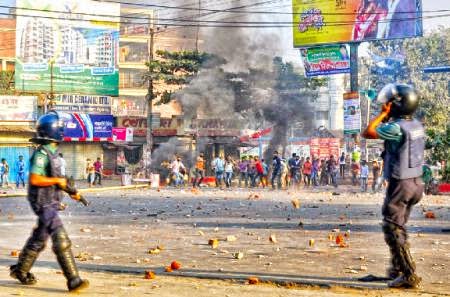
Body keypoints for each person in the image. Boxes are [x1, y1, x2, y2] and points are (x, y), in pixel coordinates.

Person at [10, 111, 89, 292]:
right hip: (42, 202)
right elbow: (36, 179)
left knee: (39, 238)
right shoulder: (41, 154)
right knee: (60, 238)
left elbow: (57, 179)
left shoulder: (53, 153)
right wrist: (57, 182)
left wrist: (72, 192)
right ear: (55, 131)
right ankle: (73, 280)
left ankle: (21, 270)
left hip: (50, 201)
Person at [363, 83, 424, 288]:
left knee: (391, 226)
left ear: (397, 105)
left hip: (401, 183)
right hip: (416, 182)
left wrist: (382, 114)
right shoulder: (415, 125)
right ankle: (397, 269)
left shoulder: (395, 127)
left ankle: (408, 274)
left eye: (390, 102)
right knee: (399, 225)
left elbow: (368, 132)